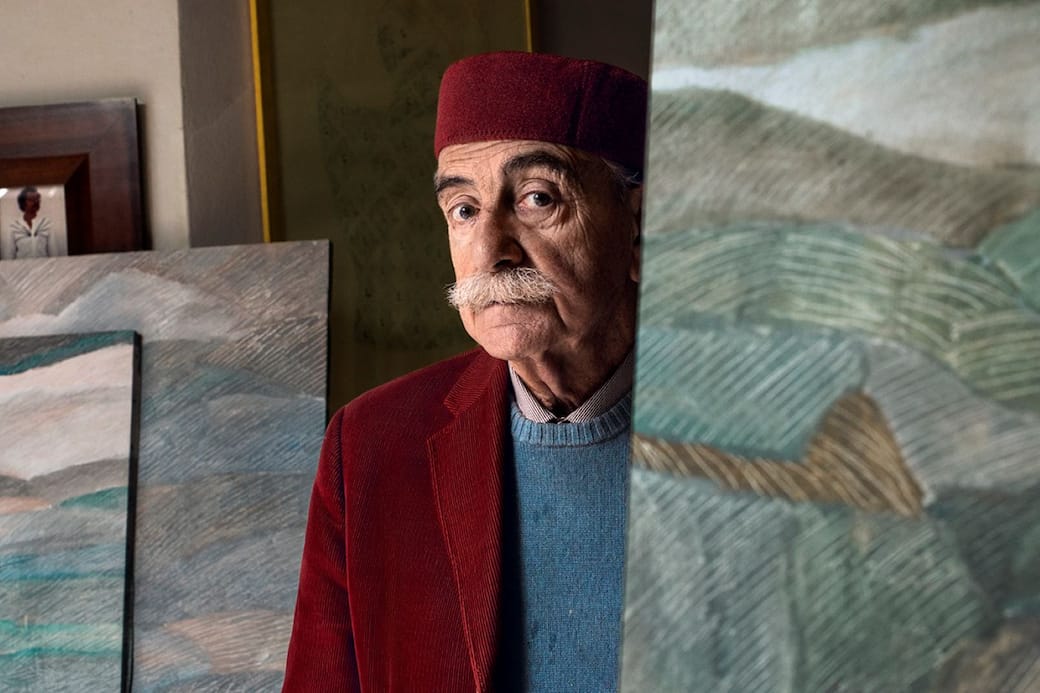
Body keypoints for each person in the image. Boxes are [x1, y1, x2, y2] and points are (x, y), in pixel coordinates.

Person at [283, 51, 647, 692]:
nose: (488, 252)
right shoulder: (370, 446)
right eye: (464, 210)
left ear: (642, 226)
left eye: (536, 199)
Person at [10, 186, 52, 258]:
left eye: (37, 199)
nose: (35, 202)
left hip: (43, 264)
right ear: (23, 203)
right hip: (22, 265)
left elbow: (54, 253)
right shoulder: (14, 226)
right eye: (31, 200)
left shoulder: (46, 223)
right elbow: (10, 254)